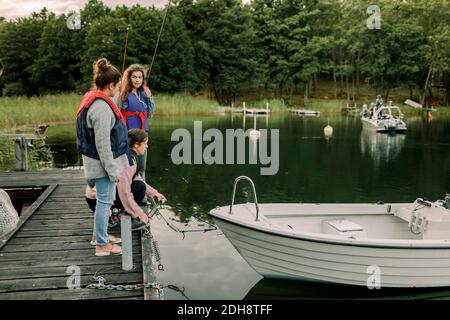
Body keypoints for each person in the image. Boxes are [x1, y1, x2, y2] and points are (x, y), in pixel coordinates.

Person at [76, 58, 129, 257]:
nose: (117, 91)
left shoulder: (91, 99)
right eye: (117, 86)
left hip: (96, 164)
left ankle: (98, 236)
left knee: (103, 201)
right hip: (102, 166)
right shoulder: (102, 108)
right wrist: (113, 170)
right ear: (111, 85)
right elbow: (103, 144)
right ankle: (101, 244)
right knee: (104, 203)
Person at [85, 128, 166, 244]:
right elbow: (124, 192)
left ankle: (112, 217)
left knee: (138, 185)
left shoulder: (128, 154)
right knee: (139, 189)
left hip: (99, 195)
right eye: (145, 143)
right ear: (136, 145)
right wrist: (139, 213)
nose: (147, 146)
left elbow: (136, 178)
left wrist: (154, 193)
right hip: (96, 199)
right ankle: (126, 220)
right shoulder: (126, 161)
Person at [119, 64, 155, 180]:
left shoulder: (144, 94)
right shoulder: (124, 94)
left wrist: (150, 97)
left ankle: (142, 195)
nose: (137, 80)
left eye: (140, 77)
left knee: (141, 167)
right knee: (128, 166)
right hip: (128, 136)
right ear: (129, 78)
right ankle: (127, 193)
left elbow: (150, 114)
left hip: (143, 136)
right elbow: (118, 114)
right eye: (134, 77)